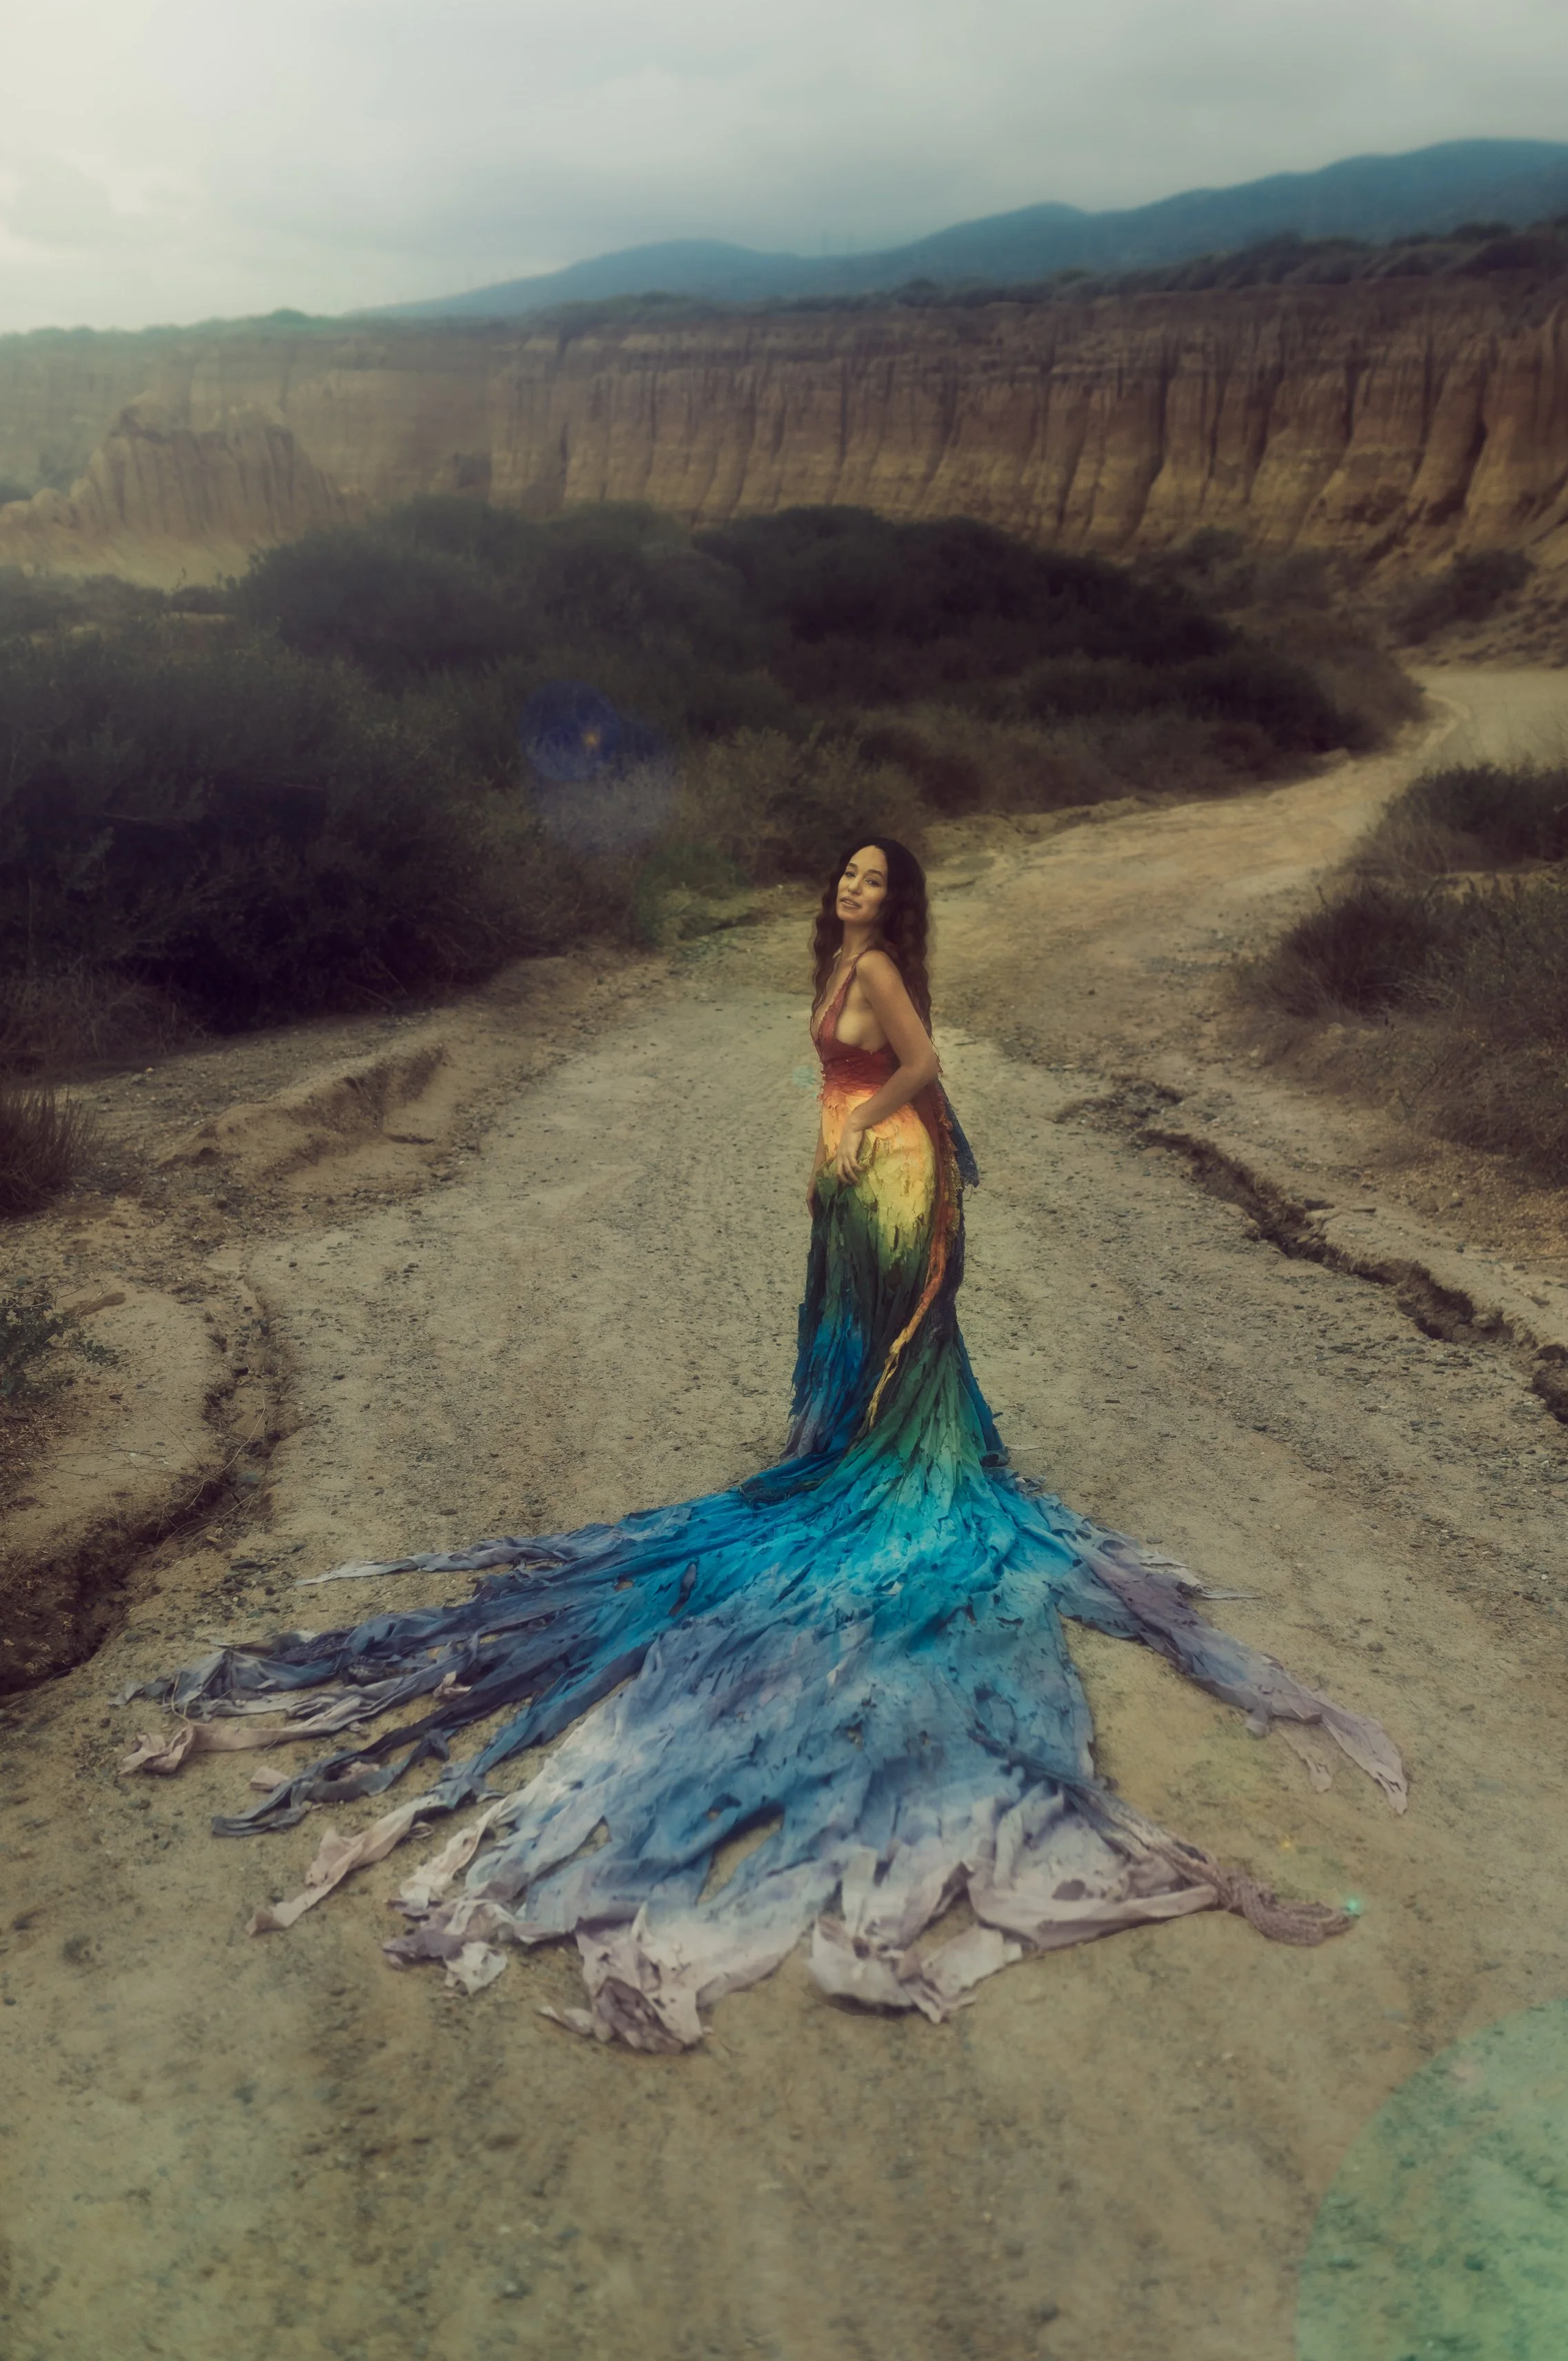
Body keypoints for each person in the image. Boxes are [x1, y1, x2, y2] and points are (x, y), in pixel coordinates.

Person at [130, 834, 1405, 2053]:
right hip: (854, 1168)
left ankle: (906, 1468)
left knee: (903, 1344)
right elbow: (843, 1072)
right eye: (846, 872)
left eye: (874, 877)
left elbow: (920, 1067)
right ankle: (884, 1454)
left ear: (895, 904)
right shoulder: (837, 964)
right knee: (866, 1347)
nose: (853, 887)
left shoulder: (888, 974)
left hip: (898, 1171)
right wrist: (820, 1155)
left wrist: (855, 1136)